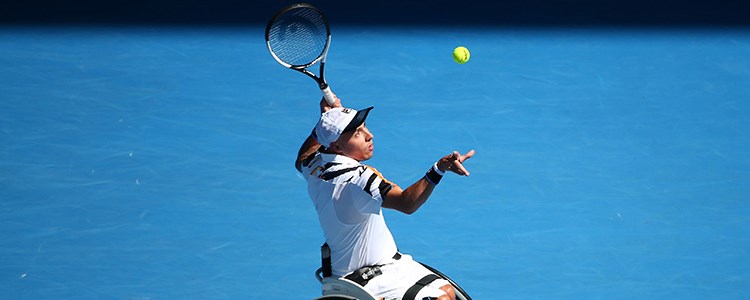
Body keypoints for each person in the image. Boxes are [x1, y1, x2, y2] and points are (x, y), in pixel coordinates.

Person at [296, 95, 475, 300]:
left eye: (364, 127)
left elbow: (302, 157)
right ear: (337, 147)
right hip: (364, 280)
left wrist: (325, 123)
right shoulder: (358, 179)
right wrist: (439, 169)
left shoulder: (314, 167)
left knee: (447, 291)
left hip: (371, 267)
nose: (369, 135)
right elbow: (407, 203)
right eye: (357, 133)